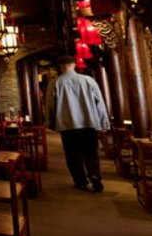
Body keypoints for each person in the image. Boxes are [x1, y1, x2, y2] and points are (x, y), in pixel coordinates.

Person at [44, 54, 110, 192]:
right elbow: (100, 102)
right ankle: (94, 176)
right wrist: (104, 122)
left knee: (72, 155)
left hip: (68, 126)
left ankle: (80, 181)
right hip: (88, 123)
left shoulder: (55, 83)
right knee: (91, 153)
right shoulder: (88, 80)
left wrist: (50, 122)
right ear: (74, 65)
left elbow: (50, 105)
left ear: (61, 67)